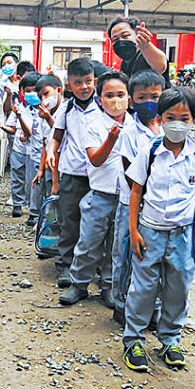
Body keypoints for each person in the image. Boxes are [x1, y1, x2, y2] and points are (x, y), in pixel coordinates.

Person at [122, 87, 195, 372]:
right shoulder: (150, 151)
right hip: (149, 230)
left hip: (183, 234)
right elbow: (136, 192)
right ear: (160, 119)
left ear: (194, 120)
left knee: (178, 287)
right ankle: (134, 338)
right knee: (143, 287)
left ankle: (170, 339)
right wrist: (133, 230)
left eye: (184, 118)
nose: (177, 123)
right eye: (171, 117)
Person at [60, 71, 131, 307]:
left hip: (126, 198)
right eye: (109, 95)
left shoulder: (135, 125)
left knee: (116, 245)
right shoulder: (93, 125)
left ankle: (108, 286)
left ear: (129, 97)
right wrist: (111, 139)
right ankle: (78, 284)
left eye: (120, 94)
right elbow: (95, 159)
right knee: (89, 242)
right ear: (99, 99)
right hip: (100, 195)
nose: (115, 100)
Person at [110, 71, 165, 325]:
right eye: (142, 97)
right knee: (126, 254)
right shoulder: (129, 133)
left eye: (155, 96)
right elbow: (130, 171)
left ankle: (153, 308)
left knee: (154, 258)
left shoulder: (169, 129)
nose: (149, 102)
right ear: (132, 101)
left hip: (160, 209)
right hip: (131, 204)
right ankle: (122, 305)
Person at [49, 58, 99, 288]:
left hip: (98, 176)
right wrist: (51, 152)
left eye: (88, 81)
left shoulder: (103, 106)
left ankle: (94, 266)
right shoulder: (67, 107)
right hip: (71, 173)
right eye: (78, 82)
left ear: (94, 81)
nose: (84, 87)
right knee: (70, 221)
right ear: (69, 84)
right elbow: (56, 137)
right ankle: (65, 265)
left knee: (97, 223)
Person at [0, 72, 42, 219]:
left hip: (35, 151)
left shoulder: (43, 111)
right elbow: (12, 128)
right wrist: (3, 127)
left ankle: (32, 208)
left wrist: (19, 117)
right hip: (18, 149)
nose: (31, 94)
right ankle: (17, 203)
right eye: (27, 91)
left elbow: (28, 133)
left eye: (34, 90)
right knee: (17, 176)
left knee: (33, 180)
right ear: (21, 91)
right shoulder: (19, 107)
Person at [31, 74, 63, 226]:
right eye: (40, 96)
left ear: (58, 90)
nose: (44, 99)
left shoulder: (64, 112)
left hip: (62, 167)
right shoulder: (43, 116)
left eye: (46, 93)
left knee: (58, 196)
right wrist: (40, 170)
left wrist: (49, 118)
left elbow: (60, 138)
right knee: (48, 195)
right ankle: (49, 225)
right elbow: (46, 143)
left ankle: (55, 227)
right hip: (49, 167)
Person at [107, 16, 170, 83]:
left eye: (125, 36)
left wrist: (146, 46)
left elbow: (161, 66)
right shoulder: (124, 64)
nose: (120, 41)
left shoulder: (147, 55)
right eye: (115, 39)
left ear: (137, 34)